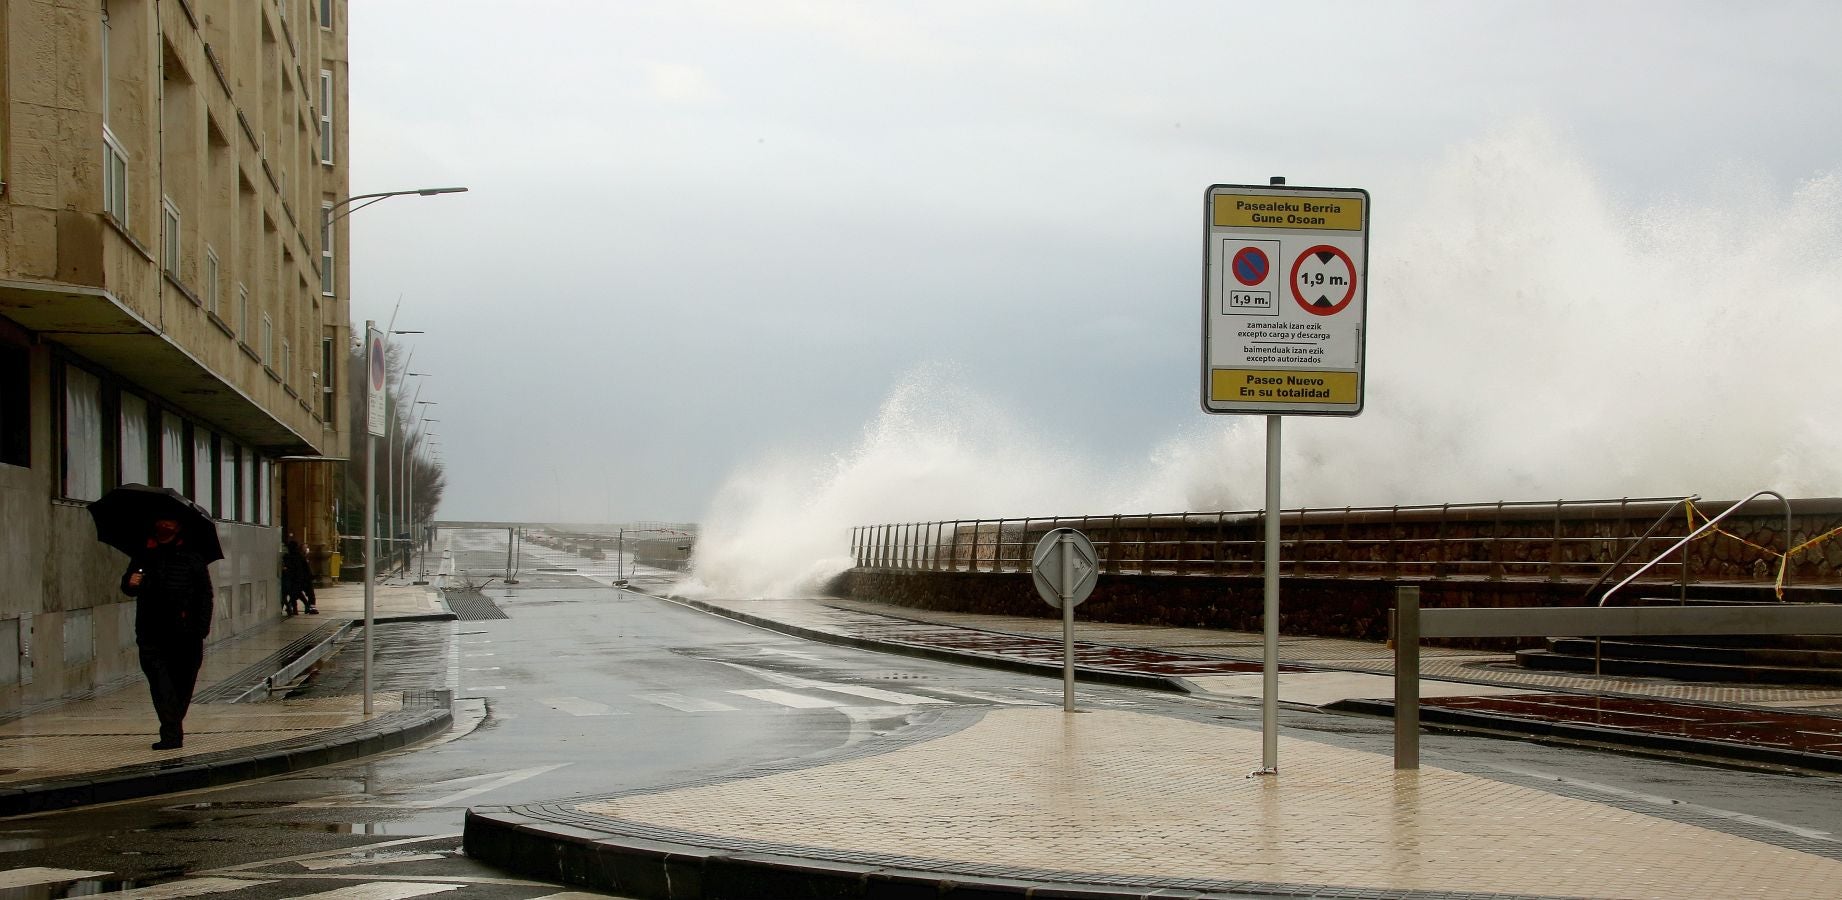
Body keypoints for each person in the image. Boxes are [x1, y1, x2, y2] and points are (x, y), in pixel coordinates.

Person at [120, 518, 215, 750]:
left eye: (170, 522)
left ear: (179, 527)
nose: (164, 525)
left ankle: (172, 728)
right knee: (160, 683)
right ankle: (171, 733)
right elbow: (129, 585)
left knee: (182, 684)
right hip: (151, 632)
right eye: (161, 521)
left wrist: (200, 629)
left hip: (186, 635)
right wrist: (130, 583)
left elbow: (205, 596)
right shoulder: (144, 554)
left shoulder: (193, 557)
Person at [282, 539, 318, 615]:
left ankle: (294, 608)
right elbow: (306, 568)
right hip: (304, 579)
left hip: (294, 579)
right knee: (309, 594)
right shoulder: (300, 556)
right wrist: (311, 576)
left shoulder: (288, 557)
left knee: (294, 594)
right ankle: (310, 607)